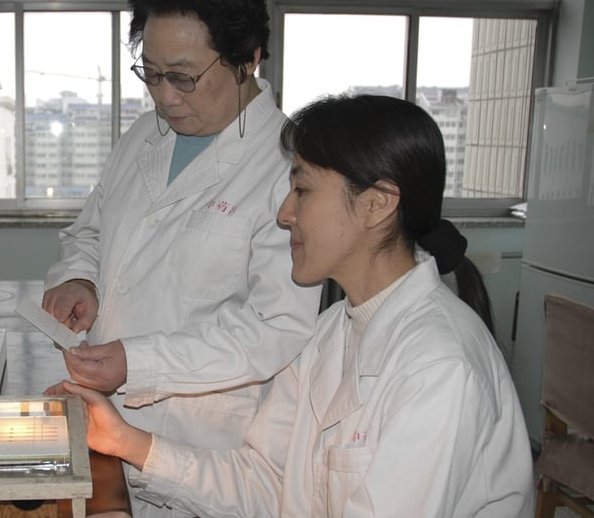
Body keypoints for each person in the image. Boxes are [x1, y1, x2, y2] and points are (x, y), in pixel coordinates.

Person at [58, 94, 535, 517]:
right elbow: (265, 484)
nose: (284, 213)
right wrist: (125, 441)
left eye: (302, 190)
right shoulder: (330, 334)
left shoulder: (438, 368)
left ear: (376, 204)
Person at [41, 0, 321, 515]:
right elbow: (89, 231)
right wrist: (80, 281)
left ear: (249, 58)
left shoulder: (287, 167)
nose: (164, 97)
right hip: (108, 432)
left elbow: (275, 327)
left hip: (205, 456)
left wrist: (138, 363)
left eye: (185, 78)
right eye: (152, 73)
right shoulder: (145, 136)